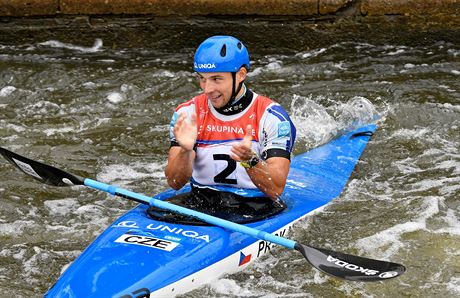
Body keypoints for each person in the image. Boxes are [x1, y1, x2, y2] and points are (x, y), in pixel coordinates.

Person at [162, 35, 296, 221]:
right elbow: (175, 183)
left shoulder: (272, 117)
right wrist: (185, 150)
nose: (207, 89)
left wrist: (249, 160)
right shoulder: (188, 113)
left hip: (254, 206)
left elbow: (276, 188)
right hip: (201, 202)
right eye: (202, 79)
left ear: (241, 75)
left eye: (216, 79)